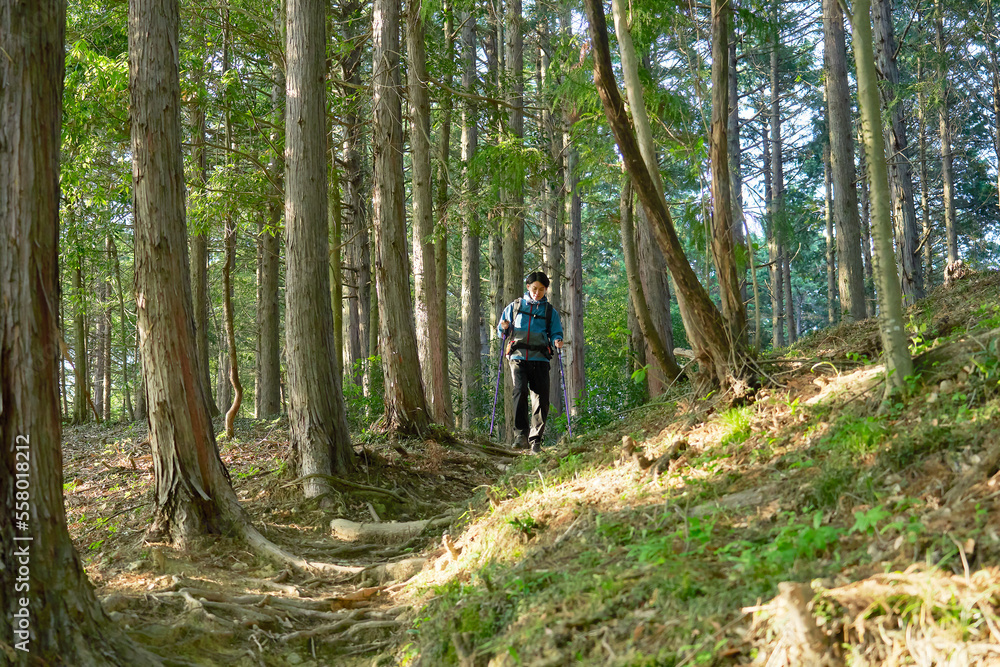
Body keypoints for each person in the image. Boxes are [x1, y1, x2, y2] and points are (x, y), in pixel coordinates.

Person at [497, 271, 564, 453]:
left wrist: (557, 340)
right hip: (518, 357)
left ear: (546, 290)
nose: (537, 292)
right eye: (534, 288)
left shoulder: (550, 312)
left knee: (541, 399)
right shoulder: (515, 306)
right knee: (519, 392)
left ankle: (536, 440)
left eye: (541, 289)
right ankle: (520, 436)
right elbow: (501, 330)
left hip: (540, 358)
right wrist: (503, 328)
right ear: (528, 287)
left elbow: (556, 332)